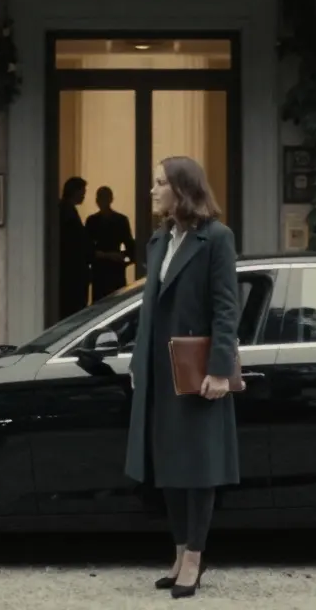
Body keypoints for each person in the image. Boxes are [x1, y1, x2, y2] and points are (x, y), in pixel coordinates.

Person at [123, 156, 239, 599]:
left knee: (199, 467)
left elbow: (226, 308)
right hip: (158, 369)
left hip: (196, 370)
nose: (152, 191)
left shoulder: (216, 238)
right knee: (168, 464)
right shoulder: (158, 240)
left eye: (159, 183)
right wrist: (138, 364)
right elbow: (149, 310)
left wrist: (220, 370)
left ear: (182, 189)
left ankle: (195, 556)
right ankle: (178, 553)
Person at [85, 186, 136, 301]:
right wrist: (122, 258)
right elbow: (130, 245)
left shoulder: (92, 220)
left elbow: (88, 247)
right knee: (115, 301)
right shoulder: (120, 219)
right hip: (109, 267)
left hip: (104, 268)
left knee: (104, 301)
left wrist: (122, 258)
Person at [57, 176, 92, 318]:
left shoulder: (67, 210)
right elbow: (76, 242)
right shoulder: (67, 212)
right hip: (71, 273)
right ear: (74, 191)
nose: (84, 195)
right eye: (82, 191)